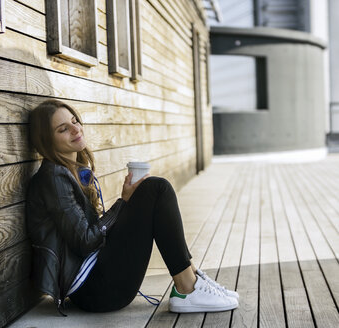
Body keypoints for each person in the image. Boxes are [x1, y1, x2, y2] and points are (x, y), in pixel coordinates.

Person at [25, 99, 239, 315]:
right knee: (156, 188)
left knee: (153, 189)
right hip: (96, 290)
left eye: (75, 121)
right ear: (47, 141)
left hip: (99, 280)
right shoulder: (53, 177)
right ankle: (187, 288)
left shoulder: (69, 170)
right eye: (63, 129)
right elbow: (85, 241)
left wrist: (125, 204)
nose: (75, 129)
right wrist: (123, 203)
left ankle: (192, 279)